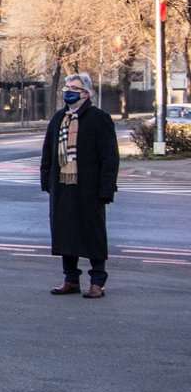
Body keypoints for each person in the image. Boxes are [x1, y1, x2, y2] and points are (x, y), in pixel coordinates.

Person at [41, 72, 119, 299]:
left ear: (86, 93)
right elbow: (48, 151)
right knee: (66, 233)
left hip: (89, 189)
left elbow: (109, 157)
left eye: (74, 89)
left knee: (93, 233)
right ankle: (70, 279)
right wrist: (46, 180)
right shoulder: (58, 118)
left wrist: (106, 188)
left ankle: (97, 281)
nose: (68, 92)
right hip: (63, 187)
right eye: (66, 88)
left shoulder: (99, 118)